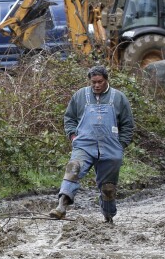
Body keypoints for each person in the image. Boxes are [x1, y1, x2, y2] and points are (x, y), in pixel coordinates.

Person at [49, 65, 135, 224]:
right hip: (84, 145)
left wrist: (121, 145)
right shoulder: (80, 96)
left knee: (108, 188)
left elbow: (128, 125)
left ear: (106, 80)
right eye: (93, 82)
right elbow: (69, 118)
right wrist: (73, 136)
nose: (96, 85)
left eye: (100, 82)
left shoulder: (119, 98)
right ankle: (61, 207)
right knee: (73, 169)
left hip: (111, 148)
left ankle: (108, 217)